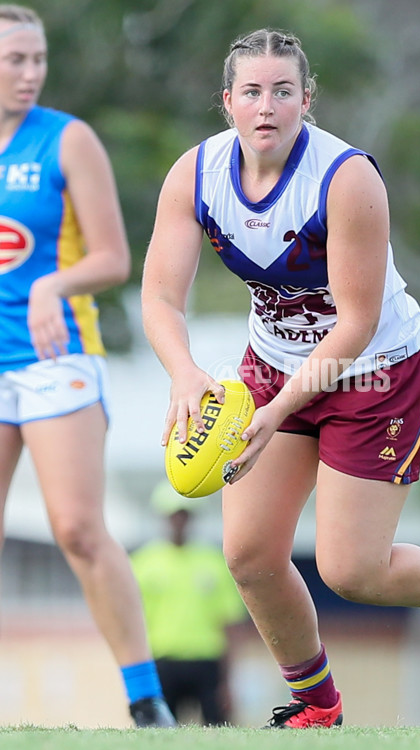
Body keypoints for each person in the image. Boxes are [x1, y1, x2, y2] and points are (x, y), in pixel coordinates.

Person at [141, 28, 420, 729]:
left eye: (283, 90)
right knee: (249, 556)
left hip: (376, 375)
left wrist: (277, 411)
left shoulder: (345, 179)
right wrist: (184, 374)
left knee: (352, 571)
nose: (267, 106)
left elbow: (356, 324)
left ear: (307, 99)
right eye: (251, 91)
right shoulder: (196, 175)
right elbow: (160, 297)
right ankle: (319, 706)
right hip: (273, 363)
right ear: (227, 102)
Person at [0, 5, 175, 728]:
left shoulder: (68, 140)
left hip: (54, 357)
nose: (30, 73)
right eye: (15, 60)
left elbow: (113, 258)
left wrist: (52, 284)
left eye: (38, 59)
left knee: (76, 527)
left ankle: (144, 698)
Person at [130, 480, 248, 725]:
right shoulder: (143, 563)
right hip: (162, 661)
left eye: (184, 515)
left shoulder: (214, 561)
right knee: (160, 735)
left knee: (218, 730)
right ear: (164, 517)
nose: (179, 521)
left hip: (207, 661)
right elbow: (132, 624)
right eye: (174, 515)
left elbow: (230, 623)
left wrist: (229, 680)